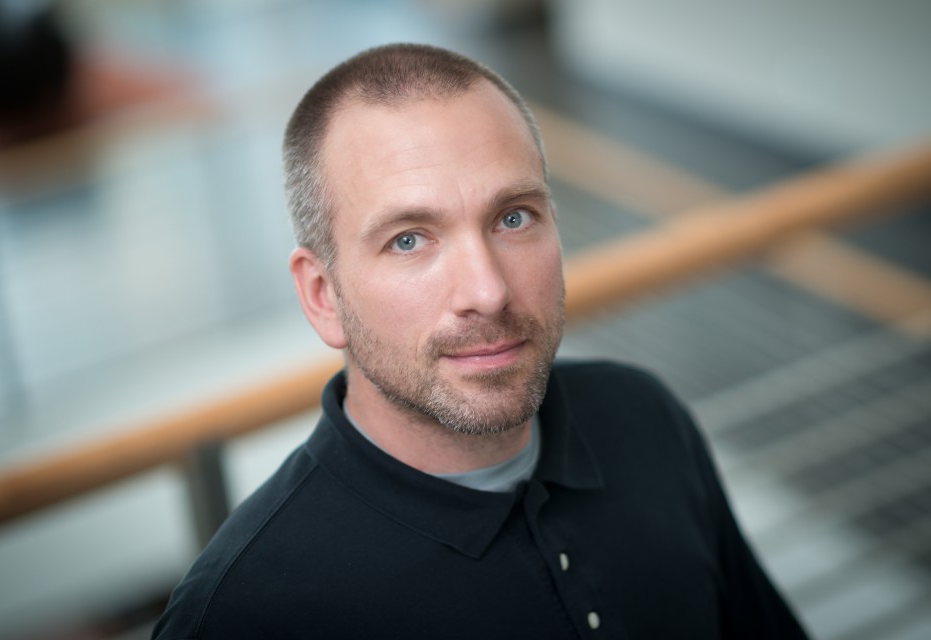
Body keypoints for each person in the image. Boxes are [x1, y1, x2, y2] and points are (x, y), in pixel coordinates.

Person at [153, 43, 809, 639]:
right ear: (324, 296)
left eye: (513, 217)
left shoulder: (645, 418)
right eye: (409, 239)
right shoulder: (242, 613)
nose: (488, 291)